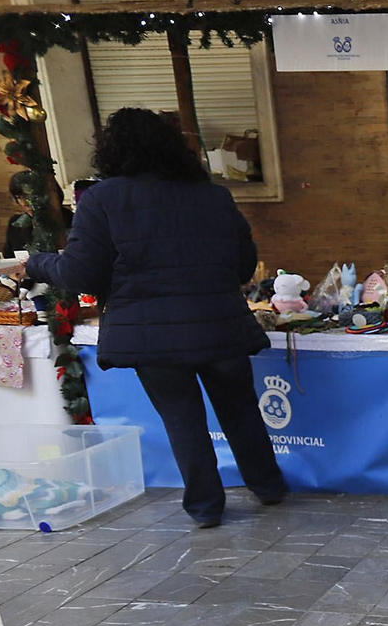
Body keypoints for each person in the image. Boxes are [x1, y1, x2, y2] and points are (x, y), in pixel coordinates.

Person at [16, 107, 286, 528]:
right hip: (221, 325)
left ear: (110, 150)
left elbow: (80, 272)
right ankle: (268, 487)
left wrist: (34, 263)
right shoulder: (213, 196)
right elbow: (243, 266)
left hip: (153, 336)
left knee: (182, 419)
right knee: (241, 411)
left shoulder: (102, 199)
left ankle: (206, 507)